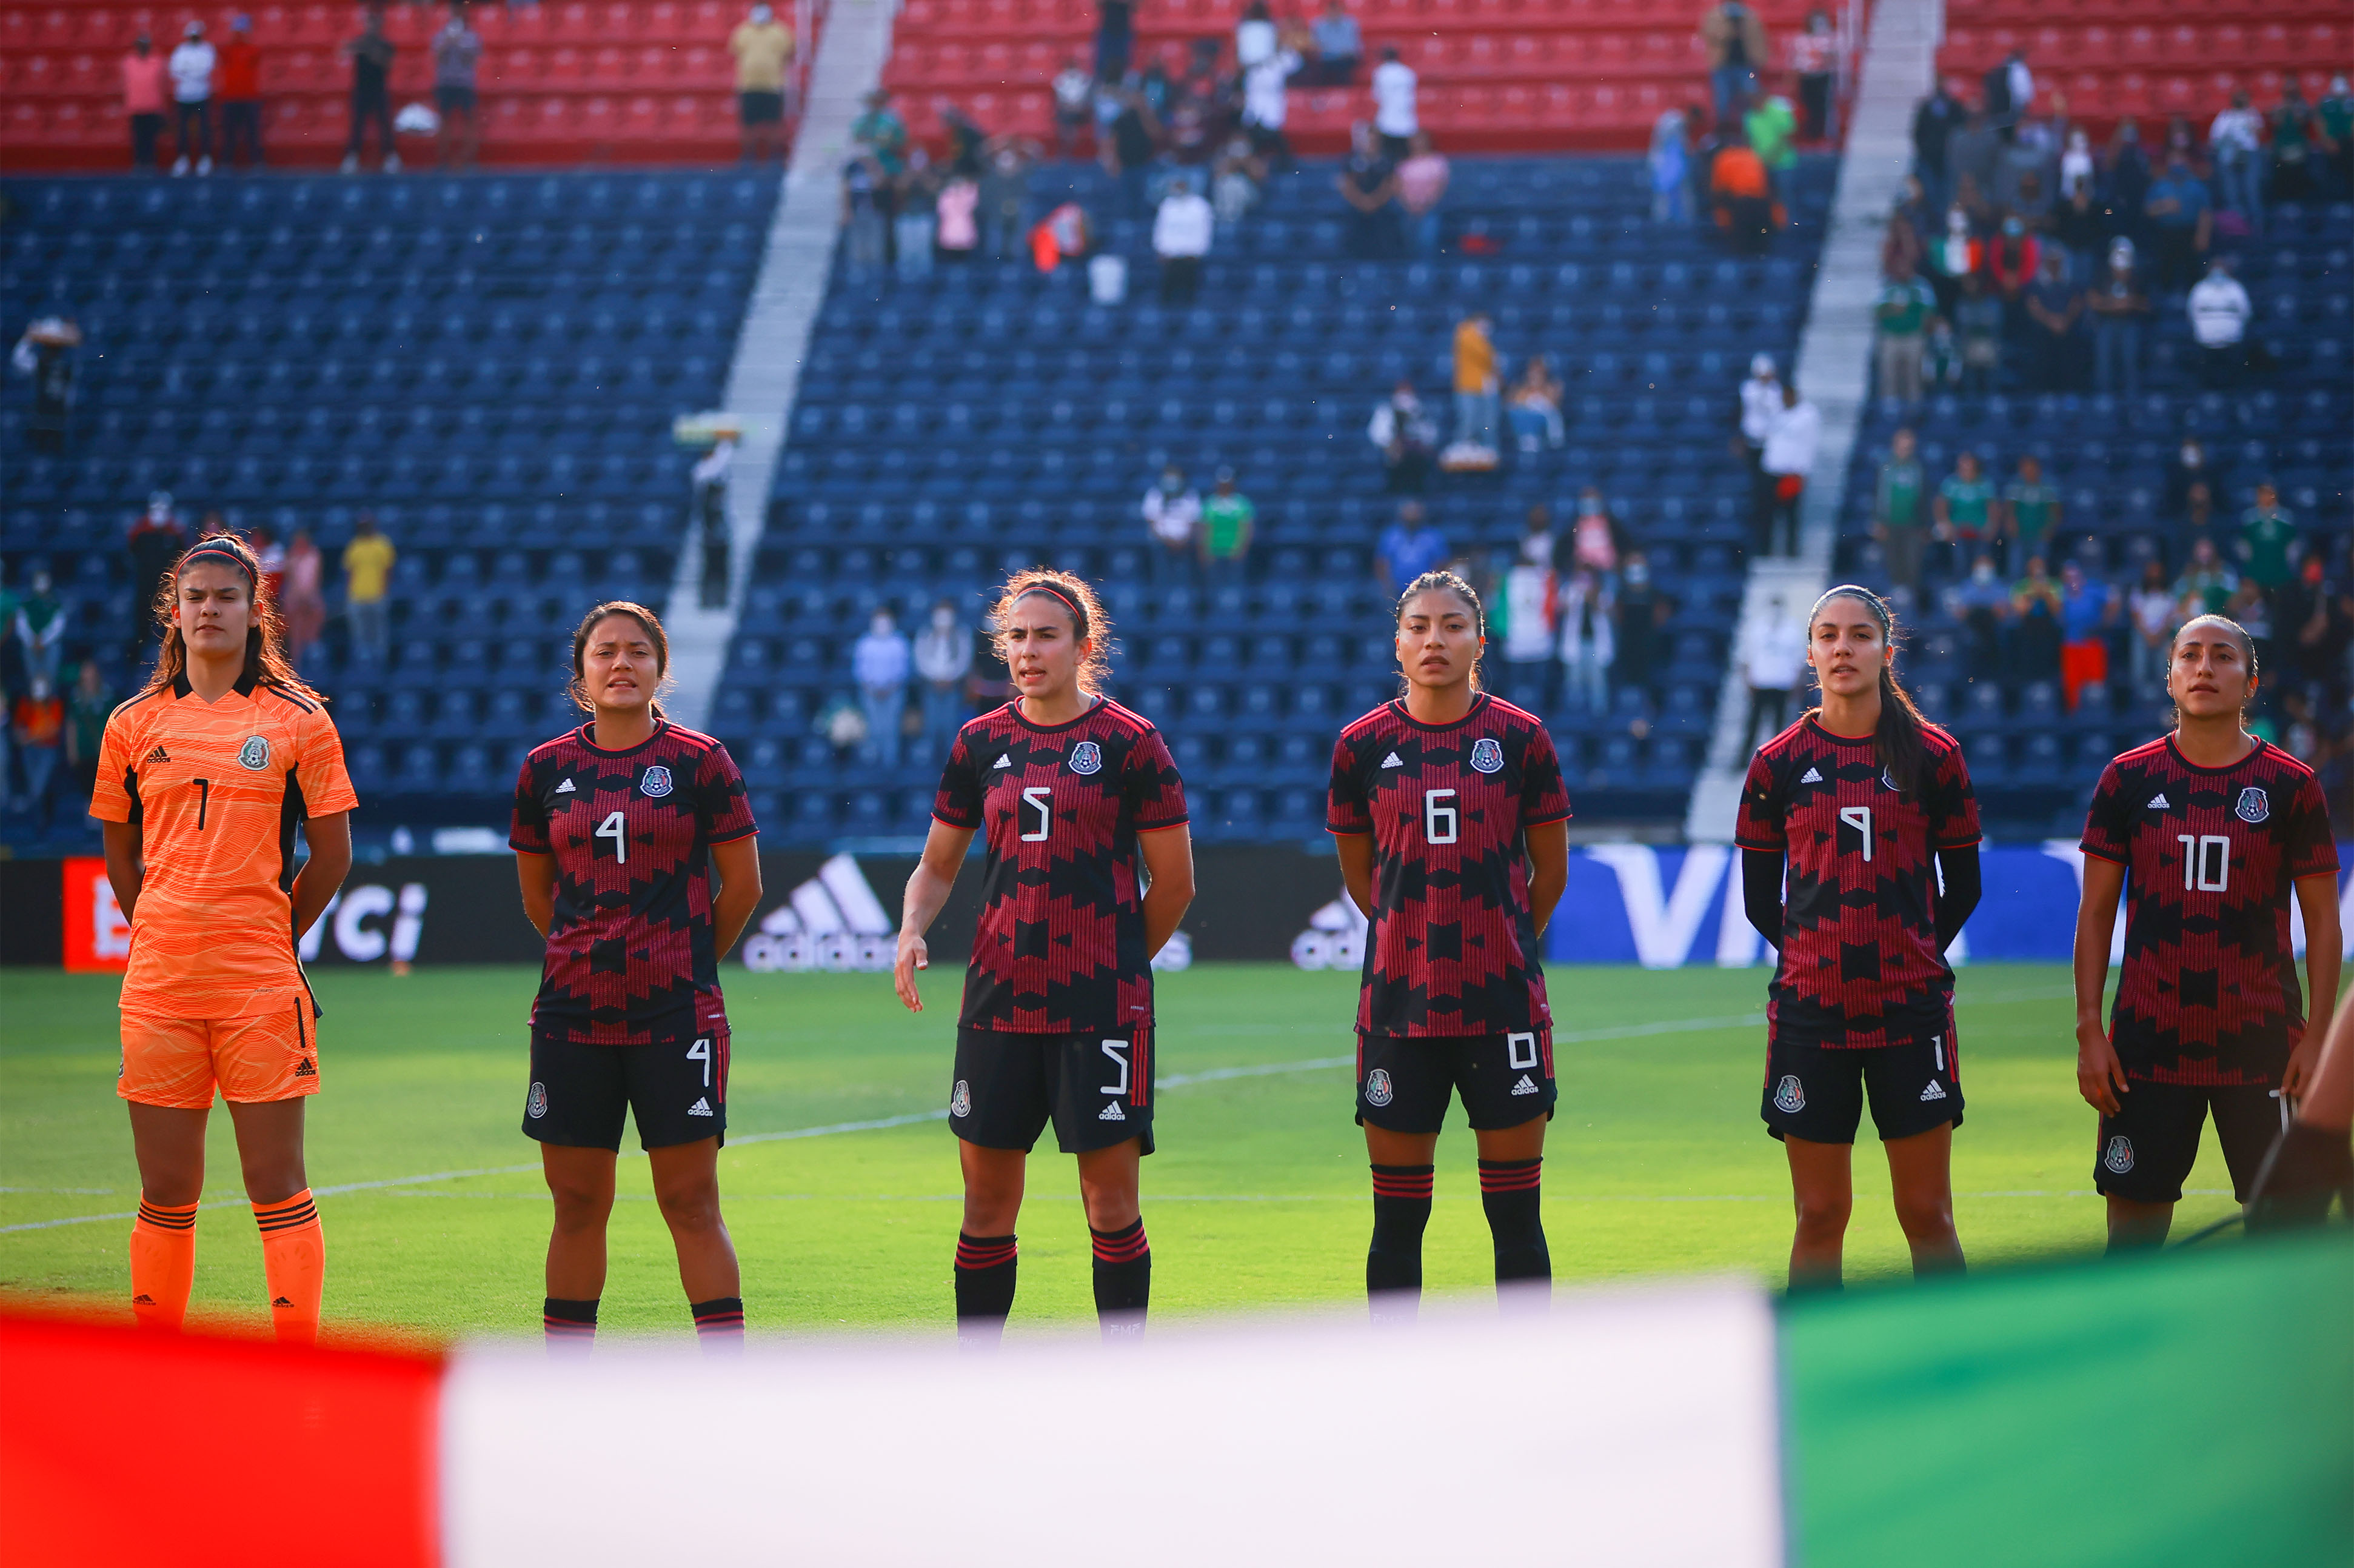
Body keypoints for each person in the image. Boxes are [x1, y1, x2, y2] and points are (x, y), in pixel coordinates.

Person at [894, 571, 1194, 1346]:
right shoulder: (979, 742)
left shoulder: (1131, 743)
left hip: (1101, 1008)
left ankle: (1122, 1376)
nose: (1028, 652)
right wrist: (912, 926)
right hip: (996, 1001)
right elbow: (936, 864)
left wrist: (1121, 962)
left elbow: (1176, 882)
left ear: (1083, 647)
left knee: (1109, 1203)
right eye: (1017, 638)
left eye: (1046, 636)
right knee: (987, 1204)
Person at [93, 533, 357, 1343]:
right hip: (160, 985)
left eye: (227, 597)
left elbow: (333, 852)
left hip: (258, 986)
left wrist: (269, 932)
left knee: (275, 1182)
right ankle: (159, 1367)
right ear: (175, 610)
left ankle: (296, 1368)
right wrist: (168, 926)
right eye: (196, 596)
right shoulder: (131, 723)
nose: (210, 609)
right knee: (166, 1189)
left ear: (255, 610)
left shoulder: (300, 720)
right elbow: (120, 853)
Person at [510, 602, 762, 1355]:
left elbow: (742, 887)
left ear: (659, 668)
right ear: (581, 672)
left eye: (636, 652)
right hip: (571, 1018)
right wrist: (587, 957)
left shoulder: (700, 761)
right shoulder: (545, 768)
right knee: (577, 1202)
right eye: (604, 652)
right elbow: (536, 897)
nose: (620, 664)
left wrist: (683, 966)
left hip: (675, 1019)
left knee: (690, 1201)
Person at [1326, 570, 1571, 1320]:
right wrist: (1416, 941)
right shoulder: (1361, 746)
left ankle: (1528, 1385)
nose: (1436, 639)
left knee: (1516, 1219)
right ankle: (1399, 1394)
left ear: (1479, 639)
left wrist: (1494, 945)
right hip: (1400, 1010)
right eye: (1420, 626)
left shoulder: (1521, 738)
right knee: (1397, 1222)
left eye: (1453, 625)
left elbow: (1549, 876)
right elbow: (1364, 881)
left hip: (1504, 1008)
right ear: (1397, 643)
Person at [1736, 585, 1981, 1290]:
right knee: (1818, 1213)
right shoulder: (1777, 763)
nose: (1843, 648)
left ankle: (1953, 1375)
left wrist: (1908, 956)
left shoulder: (1934, 756)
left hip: (1911, 1013)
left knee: (1926, 1211)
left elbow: (1963, 884)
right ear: (1810, 653)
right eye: (1828, 636)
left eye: (1860, 635)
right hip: (1811, 1016)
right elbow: (1760, 902)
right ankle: (1821, 1381)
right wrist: (1821, 959)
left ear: (1886, 650)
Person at [2071, 615, 2341, 1248]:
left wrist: (2320, 1039)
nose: (2203, 667)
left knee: (2284, 1239)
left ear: (2249, 683)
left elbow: (2324, 922)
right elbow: (2094, 912)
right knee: (2132, 1240)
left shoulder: (2290, 786)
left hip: (2266, 1047)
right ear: (2168, 678)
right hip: (2146, 1048)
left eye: (2222, 657)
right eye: (2188, 655)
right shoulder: (2127, 779)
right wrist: (2088, 1028)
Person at [1497, 524, 1557, 712]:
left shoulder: (1546, 578)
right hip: (1520, 643)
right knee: (1518, 696)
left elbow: (1552, 608)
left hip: (1537, 642)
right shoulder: (1506, 578)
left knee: (1534, 695)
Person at [1758, 381, 1819, 558]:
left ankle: (1791, 552)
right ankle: (1765, 551)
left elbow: (1810, 444)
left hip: (1792, 473)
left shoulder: (1808, 415)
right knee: (1768, 515)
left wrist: (1802, 472)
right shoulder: (1775, 412)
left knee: (1791, 516)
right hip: (1771, 471)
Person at [1739, 595, 1805, 753]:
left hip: (1783, 683)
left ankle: (1778, 756)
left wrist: (1797, 683)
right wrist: (1747, 680)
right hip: (1760, 682)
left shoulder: (1793, 629)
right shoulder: (1756, 628)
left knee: (1779, 723)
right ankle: (1743, 758)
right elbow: (1746, 657)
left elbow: (1799, 659)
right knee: (1753, 724)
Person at [2086, 238, 2150, 400]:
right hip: (2106, 323)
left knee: (2130, 360)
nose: (2121, 273)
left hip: (2130, 323)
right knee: (2104, 362)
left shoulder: (2139, 278)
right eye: (2117, 269)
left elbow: (2147, 305)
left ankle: (2132, 398)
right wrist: (2115, 304)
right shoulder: (2102, 275)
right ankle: (2104, 398)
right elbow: (2093, 301)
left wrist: (2131, 302)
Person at [729, 2, 794, 162]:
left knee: (774, 123)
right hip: (748, 85)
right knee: (748, 124)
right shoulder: (743, 31)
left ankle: (775, 157)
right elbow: (736, 51)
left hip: (773, 85)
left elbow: (789, 53)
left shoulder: (780, 32)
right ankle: (748, 156)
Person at [341, 5, 398, 174]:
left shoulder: (386, 44)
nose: (372, 27)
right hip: (361, 89)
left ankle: (390, 157)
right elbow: (343, 53)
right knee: (357, 125)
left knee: (384, 124)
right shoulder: (359, 42)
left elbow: (388, 64)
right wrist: (354, 48)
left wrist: (372, 53)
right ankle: (351, 157)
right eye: (369, 23)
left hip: (379, 89)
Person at [2141, 157, 2211, 294]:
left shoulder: (2197, 186)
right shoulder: (2159, 186)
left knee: (2192, 272)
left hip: (2190, 233)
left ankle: (2192, 297)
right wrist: (2164, 206)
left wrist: (2203, 236)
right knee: (2166, 271)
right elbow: (2148, 211)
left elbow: (2206, 213)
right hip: (2166, 234)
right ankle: (2166, 299)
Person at [914, 600, 973, 760]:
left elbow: (964, 660)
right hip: (931, 685)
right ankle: (928, 761)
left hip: (952, 685)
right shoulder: (925, 633)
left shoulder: (961, 634)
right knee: (931, 724)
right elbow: (921, 659)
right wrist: (935, 678)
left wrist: (950, 678)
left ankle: (951, 761)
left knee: (950, 724)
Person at [853, 609, 912, 769]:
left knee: (890, 728)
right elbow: (860, 671)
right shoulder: (865, 643)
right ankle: (871, 764)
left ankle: (890, 765)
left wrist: (889, 688)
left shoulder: (899, 642)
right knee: (874, 728)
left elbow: (903, 670)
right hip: (870, 693)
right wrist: (872, 688)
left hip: (894, 692)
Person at [1873, 428, 1928, 601]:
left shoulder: (1918, 469)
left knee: (1912, 560)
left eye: (1909, 446)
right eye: (1902, 446)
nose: (1905, 449)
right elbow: (1879, 495)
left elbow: (1924, 497)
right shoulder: (1887, 468)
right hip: (1890, 522)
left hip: (1913, 524)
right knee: (1893, 559)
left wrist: (1925, 525)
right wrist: (1878, 520)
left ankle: (1909, 595)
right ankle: (1894, 596)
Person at [2187, 256, 2255, 391]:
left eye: (2221, 267)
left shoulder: (2236, 289)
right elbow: (2191, 314)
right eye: (2215, 267)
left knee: (2236, 383)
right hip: (2205, 345)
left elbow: (2246, 314)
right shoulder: (2200, 289)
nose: (2218, 271)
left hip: (2232, 345)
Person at [1873, 262, 1934, 405]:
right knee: (1889, 371)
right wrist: (1893, 310)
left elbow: (1930, 312)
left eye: (1905, 266)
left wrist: (1925, 332)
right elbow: (1877, 311)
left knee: (1914, 371)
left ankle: (1915, 403)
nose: (1902, 270)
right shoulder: (1886, 286)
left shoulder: (1921, 286)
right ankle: (1890, 404)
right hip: (1891, 336)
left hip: (1914, 336)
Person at [2056, 561, 2116, 710]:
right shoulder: (2061, 594)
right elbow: (2058, 615)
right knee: (2072, 685)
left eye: (2075, 576)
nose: (2072, 580)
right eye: (2068, 577)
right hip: (2071, 645)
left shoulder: (2093, 590)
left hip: (2093, 644)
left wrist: (2106, 622)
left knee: (2095, 683)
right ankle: (2075, 714)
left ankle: (2096, 711)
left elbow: (2114, 600)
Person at [432, 2, 484, 172]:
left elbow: (472, 59)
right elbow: (438, 57)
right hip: (446, 83)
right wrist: (448, 42)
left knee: (469, 122)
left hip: (465, 83)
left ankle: (469, 160)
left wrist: (460, 43)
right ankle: (443, 159)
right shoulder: (441, 35)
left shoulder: (472, 36)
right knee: (445, 121)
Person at [1337, 122, 1400, 258]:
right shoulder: (1351, 160)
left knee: (1385, 237)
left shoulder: (1387, 160)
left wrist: (1374, 202)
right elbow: (1347, 184)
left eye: (1374, 140)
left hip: (1382, 207)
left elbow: (1391, 184)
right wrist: (1362, 201)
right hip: (1357, 207)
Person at [2021, 250, 2082, 391]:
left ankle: (2069, 396)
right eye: (2051, 261)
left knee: (2071, 355)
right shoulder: (2037, 284)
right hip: (2043, 331)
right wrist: (2051, 321)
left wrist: (2066, 321)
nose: (2055, 264)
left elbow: (2077, 302)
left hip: (2066, 329)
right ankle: (2043, 397)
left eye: (2057, 261)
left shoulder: (2070, 283)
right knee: (2040, 355)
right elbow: (2033, 305)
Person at [1699, 1, 1767, 127]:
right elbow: (1710, 35)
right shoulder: (1714, 15)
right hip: (1722, 66)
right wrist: (1730, 27)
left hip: (1746, 66)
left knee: (1751, 99)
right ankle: (1722, 133)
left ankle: (1750, 132)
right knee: (1722, 101)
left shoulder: (1750, 15)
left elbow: (1759, 39)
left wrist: (1760, 59)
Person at [1555, 567, 1613, 713]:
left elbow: (1607, 609)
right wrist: (1577, 595)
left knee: (1598, 682)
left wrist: (1592, 597)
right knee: (1573, 681)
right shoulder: (1570, 591)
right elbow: (1562, 607)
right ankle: (1574, 713)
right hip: (1576, 644)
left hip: (1595, 645)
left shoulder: (1602, 593)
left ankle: (1599, 714)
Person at [2209, 90, 2266, 237]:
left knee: (2251, 189)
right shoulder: (2225, 115)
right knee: (2231, 191)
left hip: (2250, 154)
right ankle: (2235, 228)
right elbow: (2215, 138)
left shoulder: (2253, 113)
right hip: (2229, 155)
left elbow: (2259, 131)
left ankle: (2257, 228)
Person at [341, 513, 395, 666]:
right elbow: (348, 572)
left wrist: (385, 592)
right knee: (359, 635)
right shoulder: (354, 546)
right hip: (357, 596)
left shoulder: (383, 544)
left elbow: (388, 571)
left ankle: (380, 664)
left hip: (378, 595)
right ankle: (362, 663)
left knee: (379, 633)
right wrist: (349, 595)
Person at [13, 674, 65, 832]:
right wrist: (24, 736)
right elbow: (18, 728)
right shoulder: (26, 703)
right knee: (34, 787)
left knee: (38, 787)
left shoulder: (55, 704)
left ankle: (40, 821)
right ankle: (37, 823)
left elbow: (53, 730)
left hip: (47, 751)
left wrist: (29, 736)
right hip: (29, 751)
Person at [1933, 450, 1995, 578]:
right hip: (1957, 530)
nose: (1966, 469)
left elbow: (1993, 507)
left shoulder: (1984, 483)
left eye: (1969, 465)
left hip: (1980, 530)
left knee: (1980, 564)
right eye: (1963, 465)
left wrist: (1992, 527)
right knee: (1960, 564)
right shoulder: (1952, 483)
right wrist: (1945, 525)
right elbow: (1940, 505)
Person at [1152, 176, 1213, 304]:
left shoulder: (1200, 206)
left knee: (1190, 291)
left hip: (1191, 256)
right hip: (1171, 256)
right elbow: (1161, 230)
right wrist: (1161, 250)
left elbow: (1204, 231)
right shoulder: (1167, 205)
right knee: (1167, 290)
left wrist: (1198, 252)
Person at [1367, 380, 1436, 493]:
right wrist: (1393, 445)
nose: (1405, 397)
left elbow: (1430, 436)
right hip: (1393, 463)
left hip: (1417, 462)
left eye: (1408, 392)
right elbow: (1377, 435)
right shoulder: (1385, 411)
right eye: (1402, 392)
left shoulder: (1422, 412)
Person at [167, 21, 216, 177]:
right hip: (183, 97)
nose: (194, 38)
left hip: (201, 96)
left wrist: (187, 72)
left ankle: (205, 159)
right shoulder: (180, 50)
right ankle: (183, 160)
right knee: (182, 130)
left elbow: (205, 70)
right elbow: (174, 71)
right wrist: (192, 72)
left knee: (203, 128)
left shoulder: (207, 50)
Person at [2001, 453, 2061, 576]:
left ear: (2038, 469)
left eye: (2031, 468)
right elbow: (2009, 509)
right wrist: (2010, 524)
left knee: (2039, 567)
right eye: (2025, 469)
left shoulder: (2047, 486)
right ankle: (2017, 592)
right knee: (2016, 567)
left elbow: (2055, 510)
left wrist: (2050, 527)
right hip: (2020, 533)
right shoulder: (2015, 485)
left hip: (2040, 533)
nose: (2028, 472)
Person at [2125, 560, 2178, 698]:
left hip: (2163, 634)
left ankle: (2163, 696)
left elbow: (2170, 618)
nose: (2155, 575)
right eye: (2152, 572)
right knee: (2139, 666)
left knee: (2164, 662)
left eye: (2157, 572)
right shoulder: (2138, 592)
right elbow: (2136, 616)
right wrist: (2148, 635)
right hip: (2143, 633)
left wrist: (2159, 635)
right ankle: (2138, 696)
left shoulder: (2170, 594)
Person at [65, 658, 112, 812]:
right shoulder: (76, 698)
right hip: (84, 751)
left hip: (104, 752)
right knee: (86, 784)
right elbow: (71, 725)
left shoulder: (108, 696)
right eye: (86, 673)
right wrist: (72, 750)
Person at [218, 15, 263, 170]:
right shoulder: (227, 50)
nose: (240, 34)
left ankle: (257, 162)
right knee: (229, 133)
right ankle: (226, 163)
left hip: (249, 97)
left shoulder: (253, 49)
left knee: (252, 133)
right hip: (231, 97)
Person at [1376, 502, 1447, 599]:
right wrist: (1387, 586)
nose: (1412, 517)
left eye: (1415, 513)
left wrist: (1435, 586)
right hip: (1396, 588)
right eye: (1409, 513)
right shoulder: (1391, 536)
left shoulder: (1433, 536)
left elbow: (1440, 563)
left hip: (1425, 588)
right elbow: (1382, 562)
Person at [1450, 312, 1499, 455]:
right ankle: (1461, 446)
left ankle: (1485, 448)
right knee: (1468, 420)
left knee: (1486, 423)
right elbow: (1487, 357)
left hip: (1485, 387)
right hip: (1468, 386)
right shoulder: (1466, 333)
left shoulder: (1482, 340)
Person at [2237, 481, 2298, 595]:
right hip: (2256, 575)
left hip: (2281, 575)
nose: (2266, 497)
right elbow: (2243, 548)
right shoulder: (2248, 519)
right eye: (2263, 494)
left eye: (2269, 493)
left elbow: (2293, 549)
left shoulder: (2286, 518)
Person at [1142, 465, 1200, 582]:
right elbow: (1151, 522)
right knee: (1162, 575)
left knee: (1183, 575)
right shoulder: (1154, 494)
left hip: (1185, 544)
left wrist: (1183, 541)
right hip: (1161, 543)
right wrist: (1167, 541)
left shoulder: (1190, 495)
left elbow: (1195, 522)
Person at [1395, 132, 1449, 256]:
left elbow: (1440, 187)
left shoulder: (1437, 161)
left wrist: (1423, 205)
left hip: (1430, 209)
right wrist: (1408, 205)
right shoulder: (1404, 162)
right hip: (1406, 208)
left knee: (1426, 241)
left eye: (1421, 140)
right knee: (1406, 242)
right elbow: (1397, 186)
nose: (1418, 144)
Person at [1199, 469, 1254, 586]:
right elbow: (1205, 529)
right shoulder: (1210, 503)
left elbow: (1247, 528)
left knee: (1236, 584)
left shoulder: (1242, 503)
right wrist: (1205, 550)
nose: (1225, 487)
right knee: (1214, 584)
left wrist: (1243, 548)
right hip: (1214, 551)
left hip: (1235, 551)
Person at [1790, 10, 1838, 143]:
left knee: (1822, 106)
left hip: (1823, 76)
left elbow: (1833, 58)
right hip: (1806, 77)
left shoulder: (1830, 39)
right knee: (1808, 105)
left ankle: (1821, 134)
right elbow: (1796, 61)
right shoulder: (1800, 39)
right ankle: (1811, 134)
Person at [124, 33, 170, 172]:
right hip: (136, 106)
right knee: (138, 139)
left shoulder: (158, 61)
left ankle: (150, 164)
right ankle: (139, 164)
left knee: (151, 139)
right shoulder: (129, 61)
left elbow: (163, 84)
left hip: (153, 106)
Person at [13, 570, 65, 690]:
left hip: (49, 645)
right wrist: (32, 640)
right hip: (30, 645)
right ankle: (31, 704)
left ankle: (52, 703)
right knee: (32, 679)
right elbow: (21, 624)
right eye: (39, 581)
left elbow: (58, 626)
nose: (41, 585)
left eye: (44, 581)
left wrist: (43, 640)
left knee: (50, 679)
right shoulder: (27, 604)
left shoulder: (55, 604)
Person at [279, 529, 324, 669]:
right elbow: (291, 583)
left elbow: (315, 581)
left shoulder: (314, 556)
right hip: (294, 599)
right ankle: (296, 664)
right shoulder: (291, 558)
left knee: (315, 618)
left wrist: (307, 599)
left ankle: (314, 658)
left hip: (312, 598)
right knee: (296, 629)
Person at [1503, 354, 1563, 453]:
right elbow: (1512, 405)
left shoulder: (1553, 387)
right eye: (1533, 371)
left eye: (1539, 372)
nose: (1535, 375)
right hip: (1523, 431)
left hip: (1543, 431)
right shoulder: (1520, 389)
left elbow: (1553, 408)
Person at [1370, 47, 1417, 162]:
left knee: (1388, 157)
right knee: (1405, 158)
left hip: (1387, 121)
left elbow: (1377, 96)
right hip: (1407, 121)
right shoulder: (1408, 72)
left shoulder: (1380, 72)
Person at [1649, 109, 1693, 223]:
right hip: (1665, 166)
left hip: (1674, 165)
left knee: (1681, 197)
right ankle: (1662, 222)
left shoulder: (1678, 140)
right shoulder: (1674, 122)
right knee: (1663, 197)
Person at [1311, 0, 1362, 86]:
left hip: (1345, 59)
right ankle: (1326, 96)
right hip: (1326, 59)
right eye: (1331, 10)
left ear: (1341, 10)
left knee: (1342, 67)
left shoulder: (1350, 23)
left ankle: (1344, 95)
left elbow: (1353, 47)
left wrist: (1334, 52)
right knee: (1319, 68)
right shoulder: (1318, 24)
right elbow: (1317, 47)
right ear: (1326, 11)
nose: (1333, 13)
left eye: (1336, 10)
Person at [1052, 58, 1094, 158]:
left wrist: (1079, 107)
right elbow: (1059, 101)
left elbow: (1088, 99)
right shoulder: (1059, 81)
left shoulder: (1085, 79)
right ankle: (1068, 151)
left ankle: (1076, 150)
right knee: (1064, 118)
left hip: (1082, 111)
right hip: (1067, 111)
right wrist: (1070, 107)